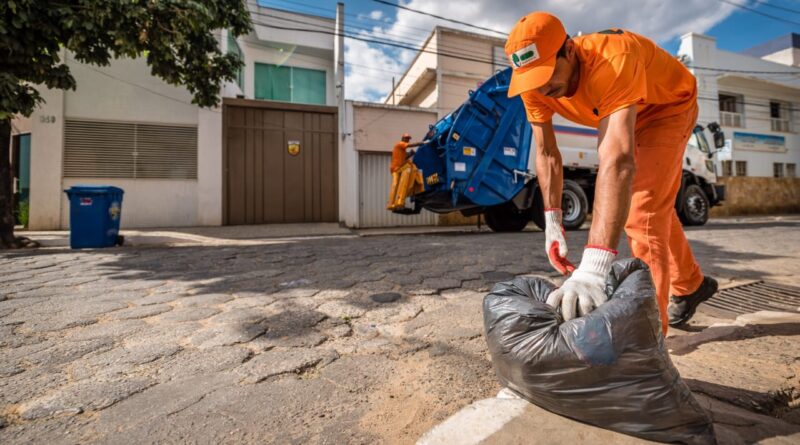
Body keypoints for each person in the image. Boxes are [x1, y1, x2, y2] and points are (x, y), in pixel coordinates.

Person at [505, 12, 717, 333]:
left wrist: (594, 266)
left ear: (570, 51)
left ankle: (649, 340)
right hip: (626, 109)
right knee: (655, 207)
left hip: (666, 108)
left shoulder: (613, 58)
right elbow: (547, 153)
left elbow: (616, 159)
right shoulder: (533, 87)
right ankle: (690, 284)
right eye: (532, 79)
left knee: (642, 213)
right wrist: (552, 223)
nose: (543, 87)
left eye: (548, 73)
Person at [387, 133, 423, 210]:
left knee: (409, 168)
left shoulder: (402, 150)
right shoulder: (400, 144)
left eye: (408, 139)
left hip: (399, 168)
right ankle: (395, 202)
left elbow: (404, 158)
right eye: (406, 138)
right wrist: (422, 143)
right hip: (395, 169)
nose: (407, 140)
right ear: (403, 139)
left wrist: (410, 154)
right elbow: (411, 145)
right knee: (396, 183)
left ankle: (399, 201)